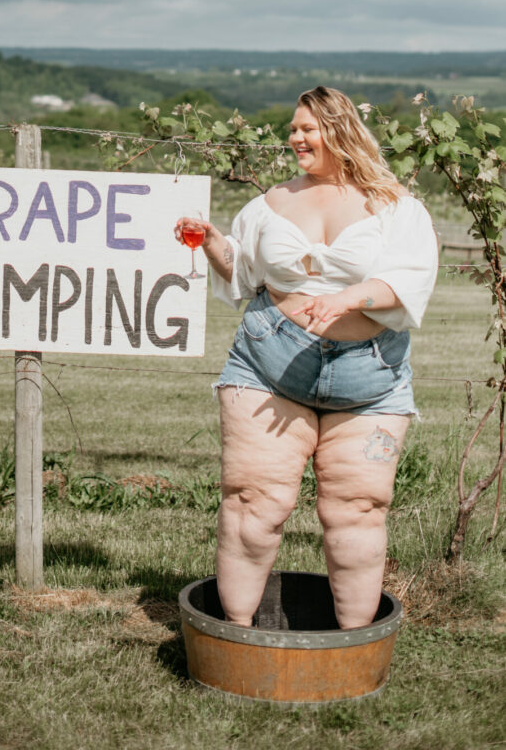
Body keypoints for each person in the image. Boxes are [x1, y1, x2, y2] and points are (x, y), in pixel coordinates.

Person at [175, 86, 437, 630]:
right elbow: (243, 271)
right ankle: (236, 638)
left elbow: (410, 281)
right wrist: (208, 240)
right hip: (267, 365)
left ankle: (354, 645)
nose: (295, 137)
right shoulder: (272, 202)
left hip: (370, 376)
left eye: (307, 128)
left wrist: (350, 297)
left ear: (339, 131)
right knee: (253, 505)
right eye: (293, 128)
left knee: (357, 512)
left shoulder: (394, 206)